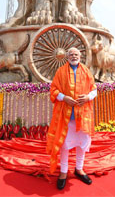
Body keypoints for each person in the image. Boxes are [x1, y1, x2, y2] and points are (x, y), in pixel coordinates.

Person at [46, 47, 97, 190]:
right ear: (67, 57)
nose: (74, 56)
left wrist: (87, 97)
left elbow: (94, 89)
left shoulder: (86, 71)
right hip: (66, 115)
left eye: (76, 54)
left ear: (80, 56)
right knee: (64, 145)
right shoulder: (60, 71)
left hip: (83, 114)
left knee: (82, 143)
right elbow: (53, 89)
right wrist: (64, 98)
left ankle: (79, 169)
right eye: (71, 54)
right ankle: (63, 172)